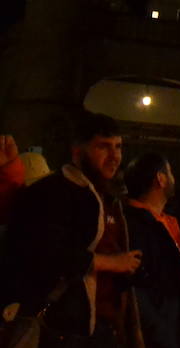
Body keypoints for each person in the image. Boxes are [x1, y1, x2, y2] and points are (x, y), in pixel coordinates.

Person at [0, 111, 144, 347]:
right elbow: (45, 252)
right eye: (104, 147)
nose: (115, 156)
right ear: (78, 151)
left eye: (118, 147)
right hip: (60, 330)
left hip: (103, 328)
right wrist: (112, 262)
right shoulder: (51, 193)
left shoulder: (110, 198)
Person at [125, 154, 180, 348]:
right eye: (170, 172)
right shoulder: (134, 225)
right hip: (159, 335)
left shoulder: (167, 220)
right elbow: (136, 287)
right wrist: (160, 330)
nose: (174, 178)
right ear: (160, 179)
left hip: (174, 327)